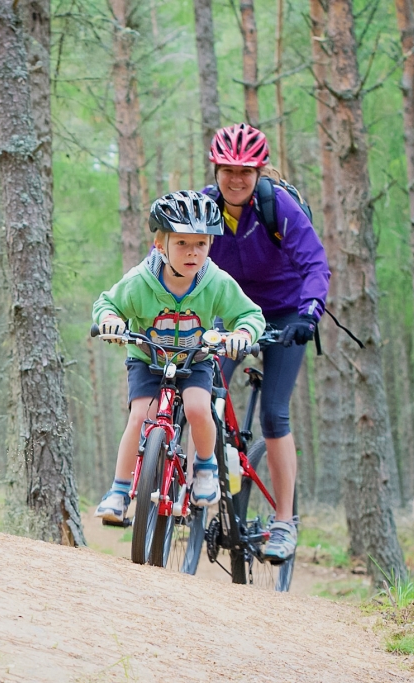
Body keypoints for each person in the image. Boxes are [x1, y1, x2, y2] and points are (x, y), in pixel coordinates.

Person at [92, 191, 266, 523]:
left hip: (195, 358)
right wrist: (110, 321)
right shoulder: (140, 281)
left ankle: (204, 467)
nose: (192, 252)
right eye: (182, 243)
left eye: (200, 244)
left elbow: (250, 315)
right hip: (148, 359)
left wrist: (241, 336)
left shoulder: (215, 281)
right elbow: (107, 304)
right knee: (140, 415)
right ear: (161, 245)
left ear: (210, 246)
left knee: (199, 408)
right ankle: (118, 490)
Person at [202, 123, 331, 563]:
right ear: (216, 169)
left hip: (284, 313)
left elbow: (315, 263)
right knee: (199, 387)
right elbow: (167, 256)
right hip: (234, 314)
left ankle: (283, 521)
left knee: (275, 412)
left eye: (246, 171)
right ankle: (199, 482)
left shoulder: (278, 207)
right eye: (228, 170)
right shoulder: (202, 208)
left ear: (259, 172)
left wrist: (309, 313)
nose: (236, 179)